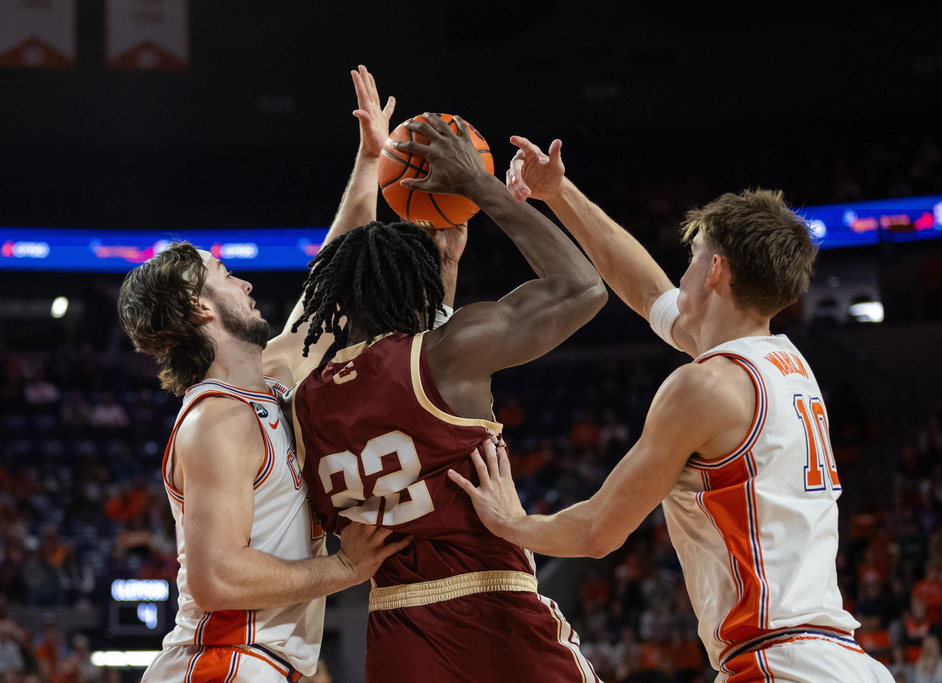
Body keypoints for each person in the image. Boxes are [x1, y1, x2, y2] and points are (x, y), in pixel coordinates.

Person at [449, 136, 895, 681]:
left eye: (693, 254)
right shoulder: (784, 365)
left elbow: (597, 532)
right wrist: (558, 192)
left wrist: (511, 523)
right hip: (835, 659)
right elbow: (646, 291)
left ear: (715, 271)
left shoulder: (702, 388)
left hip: (778, 663)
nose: (683, 269)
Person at [283, 113, 607, 681]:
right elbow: (581, 289)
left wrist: (446, 268)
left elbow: (402, 390)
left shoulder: (305, 403)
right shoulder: (446, 354)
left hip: (395, 635)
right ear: (419, 287)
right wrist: (480, 187)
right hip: (495, 612)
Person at [116, 66, 411, 682]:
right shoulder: (218, 420)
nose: (245, 281)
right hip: (222, 664)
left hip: (264, 665)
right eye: (224, 274)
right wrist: (342, 570)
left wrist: (369, 162)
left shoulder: (273, 382)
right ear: (200, 306)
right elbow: (218, 576)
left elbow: (330, 280)